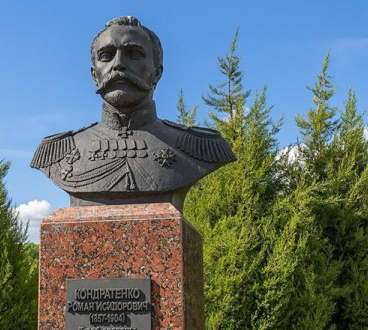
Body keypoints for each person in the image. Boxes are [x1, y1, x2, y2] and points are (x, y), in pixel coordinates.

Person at [31, 16, 235, 212]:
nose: (118, 64)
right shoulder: (58, 151)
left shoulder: (200, 148)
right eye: (106, 56)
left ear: (157, 72)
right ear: (94, 75)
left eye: (134, 54)